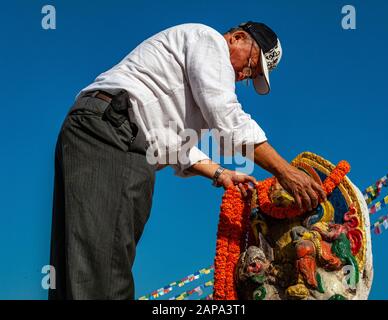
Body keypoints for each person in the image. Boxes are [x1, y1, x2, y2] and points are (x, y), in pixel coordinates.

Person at [49, 21, 326, 300]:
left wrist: (220, 174)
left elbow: (175, 145)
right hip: (114, 134)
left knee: (77, 265)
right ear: (238, 37)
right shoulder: (209, 40)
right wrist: (285, 171)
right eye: (250, 65)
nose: (243, 75)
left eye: (251, 75)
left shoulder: (189, 77)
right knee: (106, 268)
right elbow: (227, 118)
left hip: (99, 129)